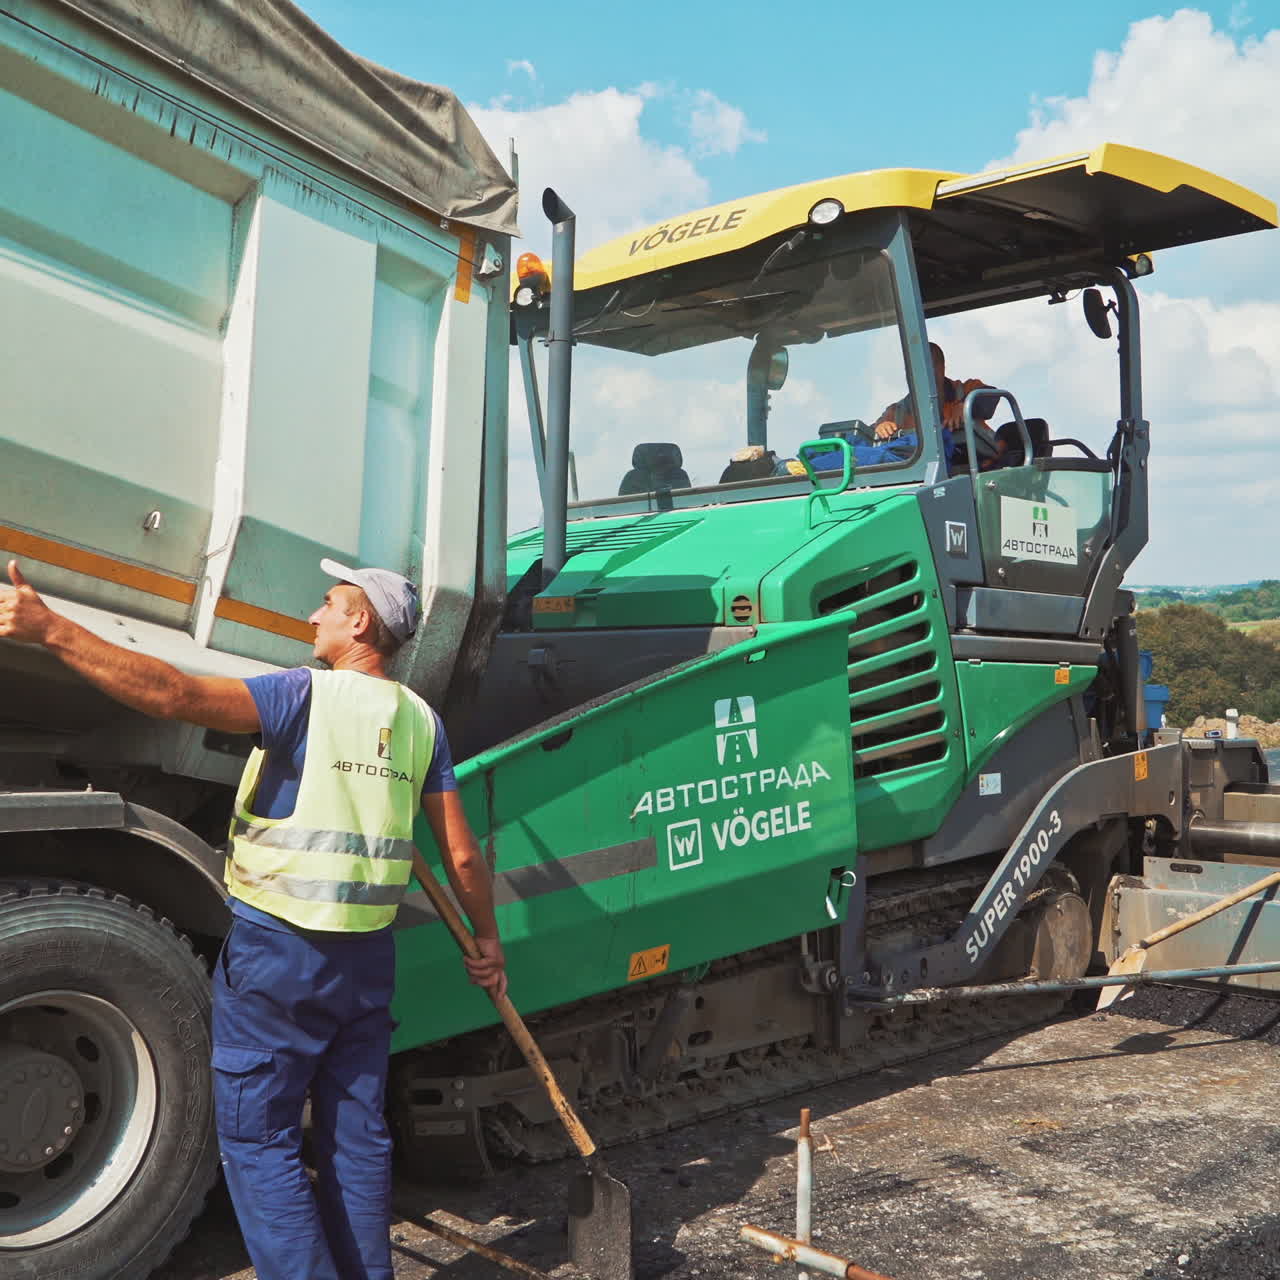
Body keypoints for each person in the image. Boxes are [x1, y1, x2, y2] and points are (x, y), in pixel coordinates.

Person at [0, 557, 505, 1280]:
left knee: (261, 1141)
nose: (313, 616)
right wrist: (486, 940)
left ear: (360, 623)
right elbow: (459, 854)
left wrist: (52, 631)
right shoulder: (421, 722)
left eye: (328, 604)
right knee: (355, 1138)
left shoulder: (304, 697)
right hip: (365, 964)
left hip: (282, 958)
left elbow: (173, 694)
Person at [873, 341, 995, 471]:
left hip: (979, 467)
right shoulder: (896, 411)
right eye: (916, 368)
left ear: (942, 367)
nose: (924, 373)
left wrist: (966, 404)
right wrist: (880, 428)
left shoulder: (965, 390)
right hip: (923, 472)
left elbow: (990, 399)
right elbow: (872, 435)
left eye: (931, 365)